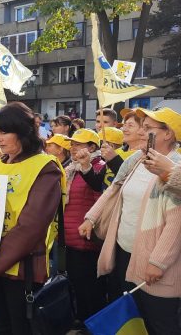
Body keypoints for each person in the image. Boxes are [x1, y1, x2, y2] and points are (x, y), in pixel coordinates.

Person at [0, 102, 63, 335]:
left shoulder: (45, 168)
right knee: (3, 327)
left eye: (4, 131)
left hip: (22, 269)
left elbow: (32, 226)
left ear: (23, 132)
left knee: (22, 329)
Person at [80, 107, 181, 334]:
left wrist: (159, 262)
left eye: (148, 128)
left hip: (154, 263)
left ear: (168, 134)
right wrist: (91, 218)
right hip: (124, 254)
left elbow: (176, 224)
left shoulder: (175, 167)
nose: (142, 132)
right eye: (141, 127)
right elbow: (114, 190)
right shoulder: (137, 159)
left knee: (158, 323)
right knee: (130, 320)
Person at [63, 129, 108, 327]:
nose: (73, 148)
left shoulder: (100, 167)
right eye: (72, 144)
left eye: (79, 144)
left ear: (92, 147)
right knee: (77, 283)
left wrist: (85, 165)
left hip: (87, 237)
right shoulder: (71, 168)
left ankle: (94, 324)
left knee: (91, 287)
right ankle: (81, 320)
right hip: (70, 236)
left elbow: (97, 186)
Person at [101, 109, 144, 187]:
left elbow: (133, 183)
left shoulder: (145, 156)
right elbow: (97, 185)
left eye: (130, 125)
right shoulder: (117, 152)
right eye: (124, 125)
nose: (124, 129)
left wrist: (114, 160)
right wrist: (86, 166)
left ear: (144, 129)